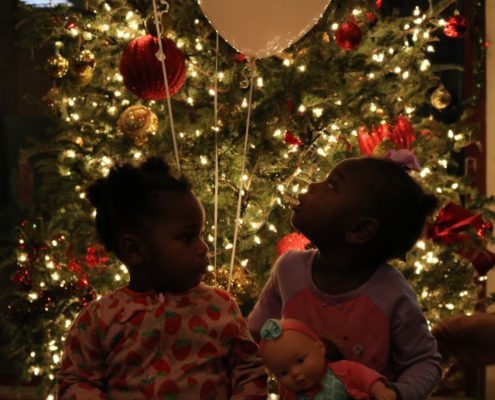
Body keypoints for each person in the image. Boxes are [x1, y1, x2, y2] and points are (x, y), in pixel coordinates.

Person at [57, 157, 267, 399]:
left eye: (200, 234)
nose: (203, 248)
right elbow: (76, 382)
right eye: (188, 237)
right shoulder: (99, 320)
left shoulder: (219, 306)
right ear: (134, 250)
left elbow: (250, 370)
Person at [248, 149, 442, 400]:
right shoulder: (288, 269)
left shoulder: (391, 292)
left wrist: (397, 393)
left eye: (331, 184)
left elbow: (424, 361)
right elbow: (256, 334)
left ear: (360, 228)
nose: (313, 185)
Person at [259, 318, 396, 400]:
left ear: (320, 347)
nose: (294, 373)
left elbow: (365, 377)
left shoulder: (341, 370)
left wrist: (379, 390)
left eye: (300, 360)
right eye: (283, 373)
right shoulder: (289, 393)